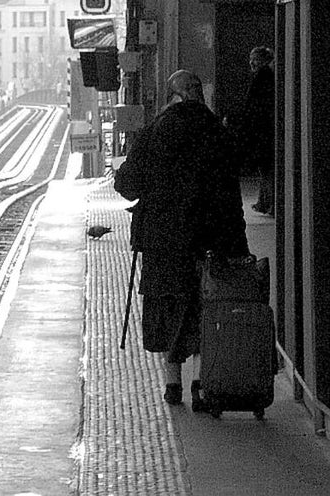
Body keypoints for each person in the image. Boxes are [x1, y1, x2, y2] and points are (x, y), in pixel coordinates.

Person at [114, 70, 249, 410]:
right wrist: (237, 245)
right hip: (211, 237)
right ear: (198, 95)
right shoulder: (218, 132)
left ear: (172, 95)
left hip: (163, 240)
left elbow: (126, 184)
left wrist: (153, 192)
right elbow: (231, 192)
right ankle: (201, 385)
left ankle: (172, 385)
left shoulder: (154, 132)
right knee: (206, 307)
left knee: (168, 306)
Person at [242, 46, 275, 215]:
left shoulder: (261, 78)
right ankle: (264, 202)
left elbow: (252, 105)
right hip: (265, 130)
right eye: (251, 58)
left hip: (263, 131)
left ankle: (269, 203)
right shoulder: (267, 77)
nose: (251, 62)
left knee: (267, 169)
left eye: (255, 59)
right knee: (266, 169)